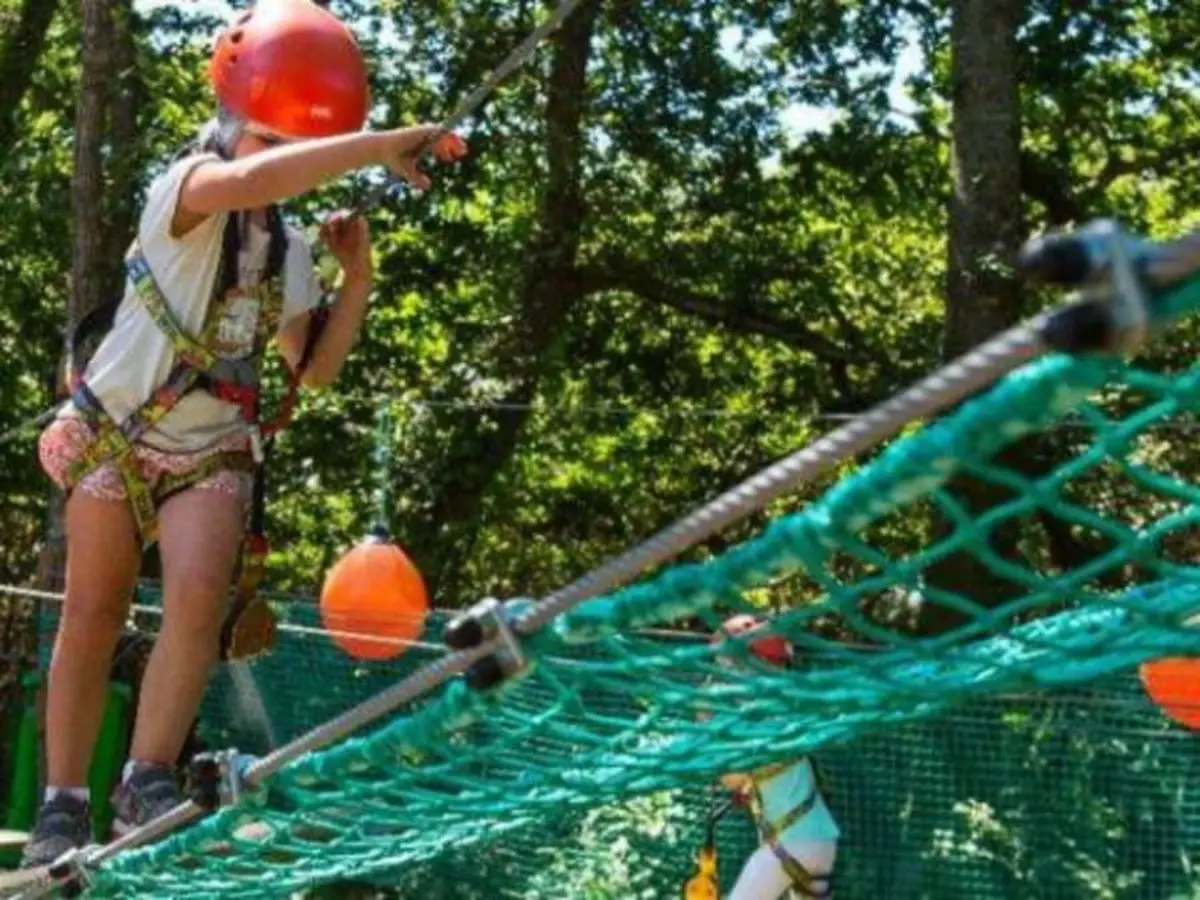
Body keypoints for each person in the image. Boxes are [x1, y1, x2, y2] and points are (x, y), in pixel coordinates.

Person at [22, 0, 467, 867]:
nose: (282, 165)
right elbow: (254, 182)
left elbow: (316, 365)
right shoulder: (186, 190)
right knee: (92, 612)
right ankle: (63, 800)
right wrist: (378, 145)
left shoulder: (285, 248)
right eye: (269, 143)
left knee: (196, 599)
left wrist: (358, 273)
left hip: (213, 445)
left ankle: (146, 776)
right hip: (118, 431)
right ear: (230, 130)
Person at [713, 614, 841, 899]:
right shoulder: (782, 708)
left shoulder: (750, 717)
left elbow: (730, 779)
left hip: (791, 844)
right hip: (821, 841)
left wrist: (705, 720)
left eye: (725, 663)